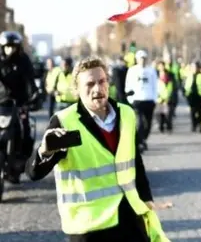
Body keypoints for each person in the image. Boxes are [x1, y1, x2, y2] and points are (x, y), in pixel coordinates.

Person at [24, 56, 167, 242]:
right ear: (77, 90)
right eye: (89, 84)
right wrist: (45, 151)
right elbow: (33, 173)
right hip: (89, 225)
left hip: (128, 214)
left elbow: (135, 161)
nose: (97, 89)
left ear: (109, 83)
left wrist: (146, 197)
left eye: (102, 81)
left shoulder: (126, 114)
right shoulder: (64, 121)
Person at [0, 31, 39, 183]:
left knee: (25, 131)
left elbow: (30, 81)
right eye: (7, 47)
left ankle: (21, 162)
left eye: (13, 47)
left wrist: (35, 96)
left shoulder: (24, 61)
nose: (10, 50)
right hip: (1, 104)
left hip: (20, 104)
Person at [124, 50, 158, 151]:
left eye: (144, 58)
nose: (142, 60)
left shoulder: (151, 70)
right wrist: (130, 98)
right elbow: (128, 85)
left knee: (148, 123)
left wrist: (155, 98)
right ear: (137, 59)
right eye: (140, 58)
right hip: (137, 100)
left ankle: (143, 139)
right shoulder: (132, 70)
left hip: (149, 99)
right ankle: (140, 141)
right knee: (140, 123)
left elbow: (155, 85)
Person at [184, 61, 201, 133]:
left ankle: (200, 125)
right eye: (193, 67)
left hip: (200, 96)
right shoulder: (189, 75)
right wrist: (185, 94)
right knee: (192, 112)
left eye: (196, 67)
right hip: (191, 96)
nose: (194, 68)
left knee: (200, 112)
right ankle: (194, 125)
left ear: (199, 68)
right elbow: (186, 85)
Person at [156, 61, 176, 134]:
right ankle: (161, 126)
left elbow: (172, 87)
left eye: (162, 66)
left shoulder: (169, 75)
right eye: (160, 66)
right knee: (159, 114)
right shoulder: (155, 74)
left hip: (167, 97)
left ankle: (169, 127)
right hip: (158, 98)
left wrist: (169, 97)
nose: (161, 67)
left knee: (168, 114)